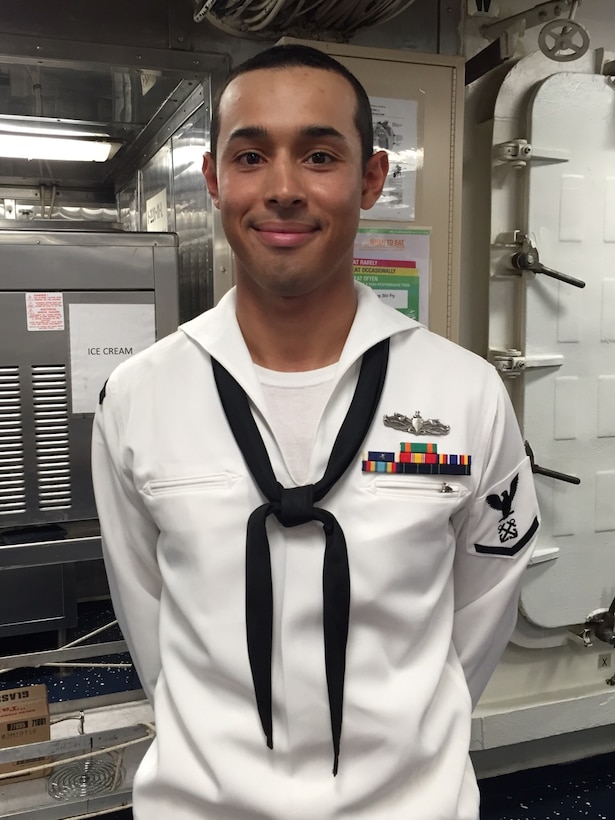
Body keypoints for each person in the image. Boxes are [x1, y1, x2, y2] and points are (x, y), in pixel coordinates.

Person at [92, 44, 540, 820]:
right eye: (252, 155)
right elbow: (147, 616)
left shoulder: (463, 393)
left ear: (371, 179)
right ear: (213, 180)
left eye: (320, 155)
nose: (284, 189)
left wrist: (402, 750)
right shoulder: (139, 395)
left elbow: (481, 610)